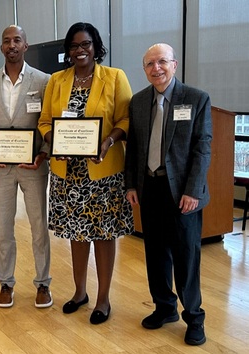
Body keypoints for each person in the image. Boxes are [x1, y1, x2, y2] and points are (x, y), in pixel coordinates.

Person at [38, 22, 134, 324]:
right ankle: (80, 292)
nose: (80, 50)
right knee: (75, 235)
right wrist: (56, 142)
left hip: (102, 172)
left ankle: (103, 299)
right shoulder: (57, 80)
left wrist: (108, 140)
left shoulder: (115, 77)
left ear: (96, 47)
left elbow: (126, 119)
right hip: (68, 174)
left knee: (103, 235)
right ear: (68, 50)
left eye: (86, 44)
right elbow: (44, 122)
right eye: (74, 45)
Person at [125, 43, 212, 346]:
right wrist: (131, 185)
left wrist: (193, 191)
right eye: (150, 63)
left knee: (186, 255)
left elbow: (202, 148)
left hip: (182, 192)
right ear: (145, 69)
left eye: (162, 62)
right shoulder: (137, 102)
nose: (156, 68)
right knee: (155, 252)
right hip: (150, 187)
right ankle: (164, 308)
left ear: (174, 65)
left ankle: (194, 317)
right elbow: (134, 148)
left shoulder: (197, 99)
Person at [0, 25, 52, 308]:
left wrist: (44, 153)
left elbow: (46, 123)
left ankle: (43, 284)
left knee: (38, 228)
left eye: (17, 40)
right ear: (1, 48)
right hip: (0, 169)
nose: (12, 45)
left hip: (33, 167)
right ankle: (6, 283)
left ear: (26, 45)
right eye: (7, 41)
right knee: (3, 229)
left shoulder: (44, 81)